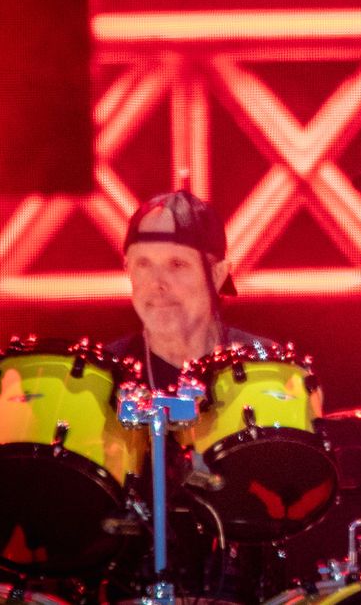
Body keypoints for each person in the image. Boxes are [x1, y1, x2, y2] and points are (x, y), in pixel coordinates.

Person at [106, 190, 281, 602]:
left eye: (178, 265)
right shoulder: (102, 378)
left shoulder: (268, 373)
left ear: (219, 274)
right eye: (142, 265)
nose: (157, 283)